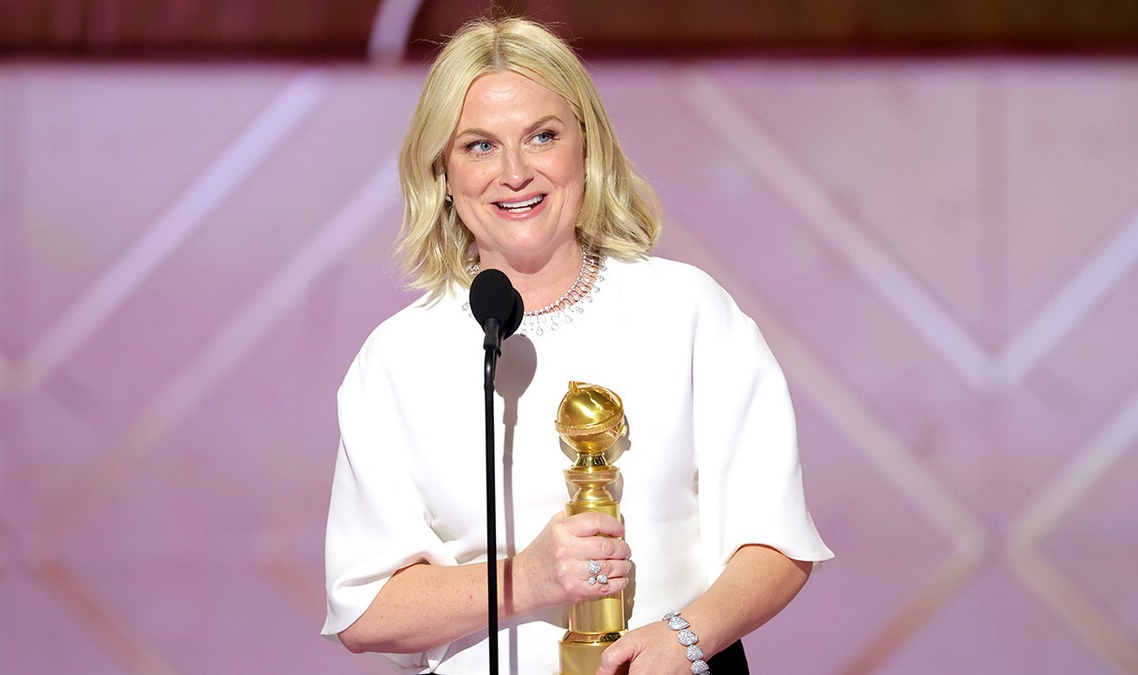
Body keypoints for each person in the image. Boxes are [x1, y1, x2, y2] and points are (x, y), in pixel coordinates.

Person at [322, 15, 833, 675]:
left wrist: (685, 639)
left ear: (586, 148)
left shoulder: (687, 310)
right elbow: (364, 610)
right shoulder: (398, 358)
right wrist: (528, 578)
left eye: (542, 136)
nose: (514, 172)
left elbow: (778, 542)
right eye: (479, 146)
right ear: (442, 171)